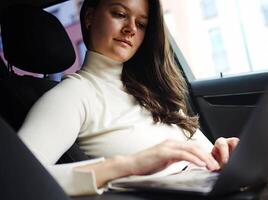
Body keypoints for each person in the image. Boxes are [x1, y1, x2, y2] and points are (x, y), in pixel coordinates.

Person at [18, 0, 239, 196]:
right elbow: (17, 178)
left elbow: (206, 157)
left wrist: (221, 153)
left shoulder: (155, 90)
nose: (131, 29)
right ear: (89, 17)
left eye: (141, 24)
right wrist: (130, 164)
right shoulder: (71, 96)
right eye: (120, 14)